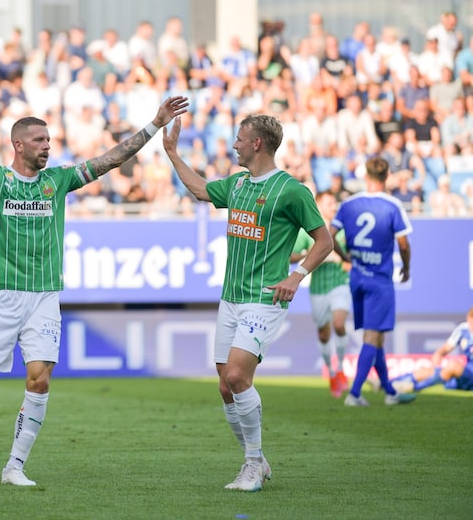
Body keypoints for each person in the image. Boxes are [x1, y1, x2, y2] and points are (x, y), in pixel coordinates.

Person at [0, 86, 188, 486]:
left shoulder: (58, 180)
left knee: (40, 378)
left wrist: (155, 123)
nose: (47, 146)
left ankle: (14, 466)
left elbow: (110, 159)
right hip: (1, 296)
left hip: (45, 297)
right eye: (38, 140)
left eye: (49, 140)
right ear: (18, 145)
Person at [162, 114, 333, 492]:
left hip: (264, 298)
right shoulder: (238, 184)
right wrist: (172, 154)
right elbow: (201, 191)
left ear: (257, 143)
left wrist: (296, 275)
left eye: (240, 139)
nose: (234, 144)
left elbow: (324, 242)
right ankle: (255, 459)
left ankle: (253, 464)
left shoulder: (292, 190)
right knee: (226, 386)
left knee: (238, 377)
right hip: (231, 297)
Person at [329, 157, 417, 408]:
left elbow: (329, 233)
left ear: (366, 176)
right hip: (379, 280)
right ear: (387, 176)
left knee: (375, 337)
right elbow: (403, 243)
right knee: (373, 336)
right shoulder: (392, 205)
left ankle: (390, 391)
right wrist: (407, 267)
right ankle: (355, 394)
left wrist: (344, 256)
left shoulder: (349, 204)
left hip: (357, 276)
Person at [291, 192, 351, 398]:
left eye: (334, 203)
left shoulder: (343, 229)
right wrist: (311, 255)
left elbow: (351, 257)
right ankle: (332, 372)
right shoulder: (307, 231)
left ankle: (342, 367)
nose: (334, 206)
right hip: (318, 288)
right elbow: (290, 255)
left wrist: (345, 260)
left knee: (340, 324)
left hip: (340, 283)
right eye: (329, 202)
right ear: (318, 205)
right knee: (324, 334)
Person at [391, 307, 473, 394]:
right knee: (426, 371)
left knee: (453, 366)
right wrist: (435, 369)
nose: (471, 325)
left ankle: (413, 388)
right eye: (470, 321)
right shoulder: (463, 330)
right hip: (463, 374)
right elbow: (440, 352)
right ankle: (388, 384)